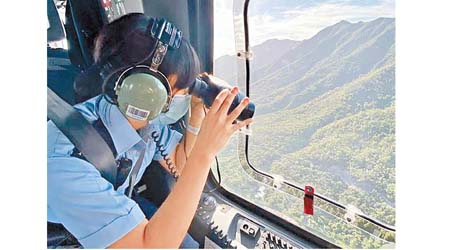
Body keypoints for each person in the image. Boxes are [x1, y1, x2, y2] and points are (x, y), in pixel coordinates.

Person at [47, 13, 253, 248]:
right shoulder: (63, 158)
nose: (182, 97)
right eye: (175, 90)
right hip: (66, 237)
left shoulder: (142, 123)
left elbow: (180, 164)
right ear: (144, 91)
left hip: (113, 214)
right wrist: (204, 153)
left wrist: (197, 114)